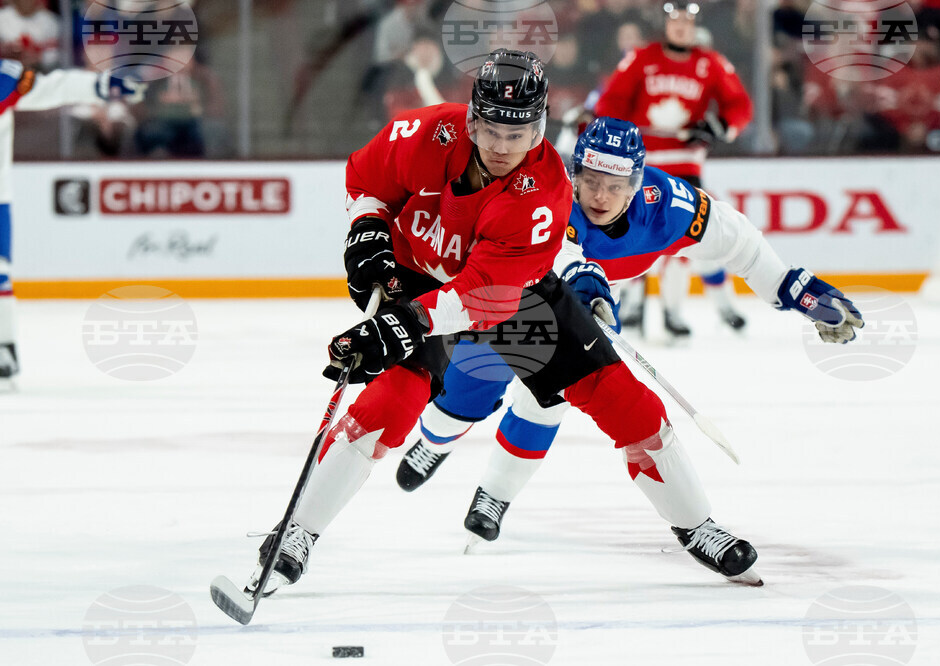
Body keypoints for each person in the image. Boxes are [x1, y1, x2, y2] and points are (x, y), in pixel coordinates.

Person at [241, 49, 761, 595]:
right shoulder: (425, 132)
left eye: (519, 134)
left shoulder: (545, 195)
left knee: (624, 400)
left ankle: (698, 526)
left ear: (539, 127)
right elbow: (366, 178)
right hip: (421, 281)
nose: (503, 148)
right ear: (470, 119)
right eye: (491, 131)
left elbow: (481, 298)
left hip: (517, 298)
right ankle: (294, 533)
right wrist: (367, 232)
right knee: (387, 405)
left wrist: (401, 326)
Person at [395, 117, 864, 583]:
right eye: (591, 182)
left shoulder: (671, 208)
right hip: (509, 293)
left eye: (615, 185)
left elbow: (741, 244)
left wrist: (802, 294)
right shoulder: (543, 191)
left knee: (555, 397)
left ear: (637, 183)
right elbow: (563, 256)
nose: (600, 196)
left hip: (575, 302)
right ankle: (434, 439)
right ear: (574, 174)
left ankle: (499, 494)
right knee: (466, 394)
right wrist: (587, 285)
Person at [594, 1, 754, 339]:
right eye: (675, 20)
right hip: (642, 163)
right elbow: (611, 103)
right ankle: (633, 304)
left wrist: (719, 126)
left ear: (695, 25)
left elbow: (739, 105)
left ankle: (673, 310)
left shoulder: (710, 64)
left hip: (685, 162)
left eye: (687, 20)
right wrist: (619, 134)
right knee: (631, 231)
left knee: (685, 234)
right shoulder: (641, 58)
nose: (681, 27)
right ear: (665, 23)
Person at [0, 59, 145, 380]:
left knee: (0, 271)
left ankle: (4, 346)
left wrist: (100, 86)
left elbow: (51, 87)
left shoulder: (4, 78)